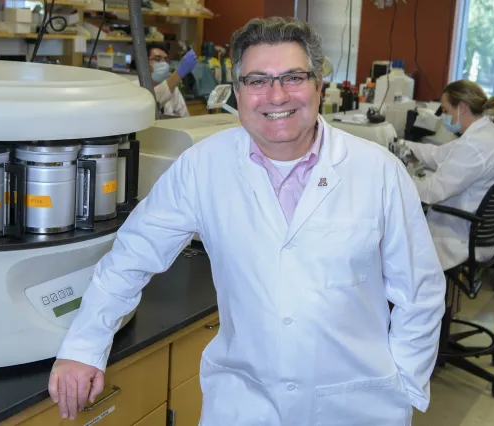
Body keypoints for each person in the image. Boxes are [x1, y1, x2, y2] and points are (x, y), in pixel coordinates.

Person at [49, 17, 446, 425]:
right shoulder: (204, 166)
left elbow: (421, 291)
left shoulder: (377, 171)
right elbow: (131, 256)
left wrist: (404, 386)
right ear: (237, 93)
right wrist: (83, 345)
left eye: (293, 77)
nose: (276, 95)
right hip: (243, 403)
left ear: (318, 86)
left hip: (358, 406)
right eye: (257, 81)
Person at [405, 80, 494, 271]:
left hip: (458, 236)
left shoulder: (474, 145)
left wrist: (399, 179)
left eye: (445, 111)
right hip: (475, 230)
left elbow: (433, 192)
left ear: (462, 107)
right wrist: (402, 144)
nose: (444, 116)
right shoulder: (487, 134)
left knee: (393, 247)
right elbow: (439, 155)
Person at [145, 42, 197, 117]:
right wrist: (179, 72)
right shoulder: (135, 88)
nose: (163, 63)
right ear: (144, 63)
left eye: (166, 60)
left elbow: (186, 119)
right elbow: (153, 100)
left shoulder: (174, 91)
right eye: (157, 59)